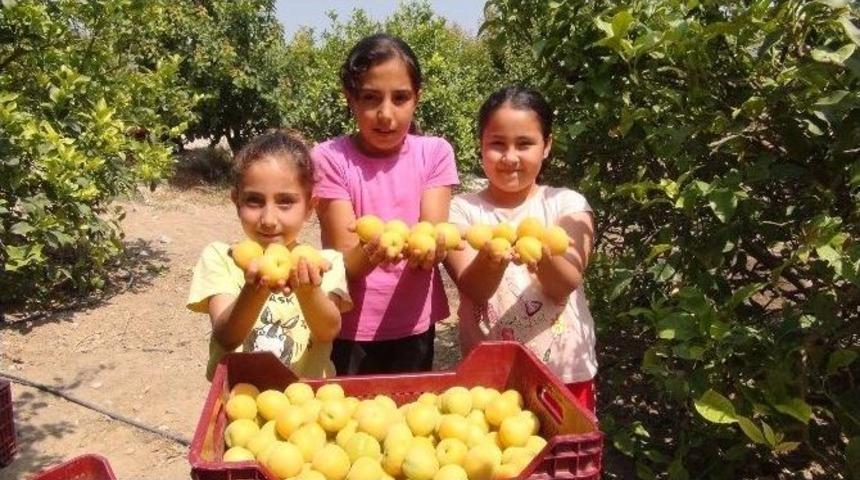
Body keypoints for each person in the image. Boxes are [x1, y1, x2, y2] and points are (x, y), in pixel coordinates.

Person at [312, 33, 460, 374]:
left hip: (414, 326)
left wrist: (432, 247)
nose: (386, 114)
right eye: (370, 98)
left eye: (401, 98)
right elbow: (345, 262)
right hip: (349, 328)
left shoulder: (435, 153)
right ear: (350, 99)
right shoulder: (328, 158)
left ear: (417, 98)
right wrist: (378, 247)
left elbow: (432, 232)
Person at [445, 86, 598, 412]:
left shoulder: (566, 205)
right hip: (490, 377)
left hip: (564, 374)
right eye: (497, 144)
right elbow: (473, 288)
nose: (510, 157)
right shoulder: (462, 211)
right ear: (480, 146)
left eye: (525, 144)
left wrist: (539, 254)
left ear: (547, 147)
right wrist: (492, 257)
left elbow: (564, 283)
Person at [187, 130, 352, 380]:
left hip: (307, 402)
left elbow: (328, 331)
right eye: (254, 201)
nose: (268, 220)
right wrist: (254, 289)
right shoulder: (222, 257)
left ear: (309, 207)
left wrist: (308, 291)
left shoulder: (324, 263)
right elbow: (226, 336)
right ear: (236, 201)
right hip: (240, 401)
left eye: (285, 202)